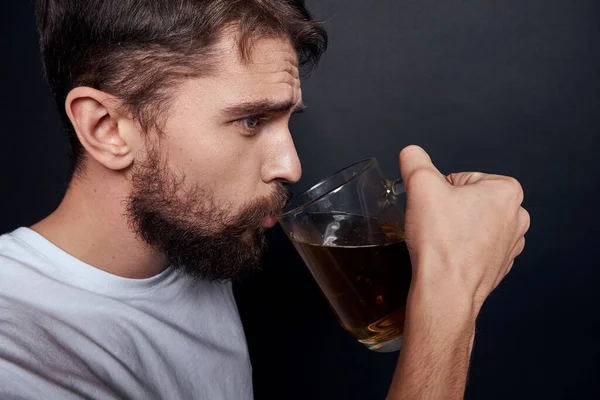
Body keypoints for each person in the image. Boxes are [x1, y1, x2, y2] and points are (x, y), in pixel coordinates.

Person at [0, 0, 529, 399]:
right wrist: (451, 290)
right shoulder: (17, 351)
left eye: (284, 120)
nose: (291, 167)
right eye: (251, 120)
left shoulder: (197, 237)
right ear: (108, 128)